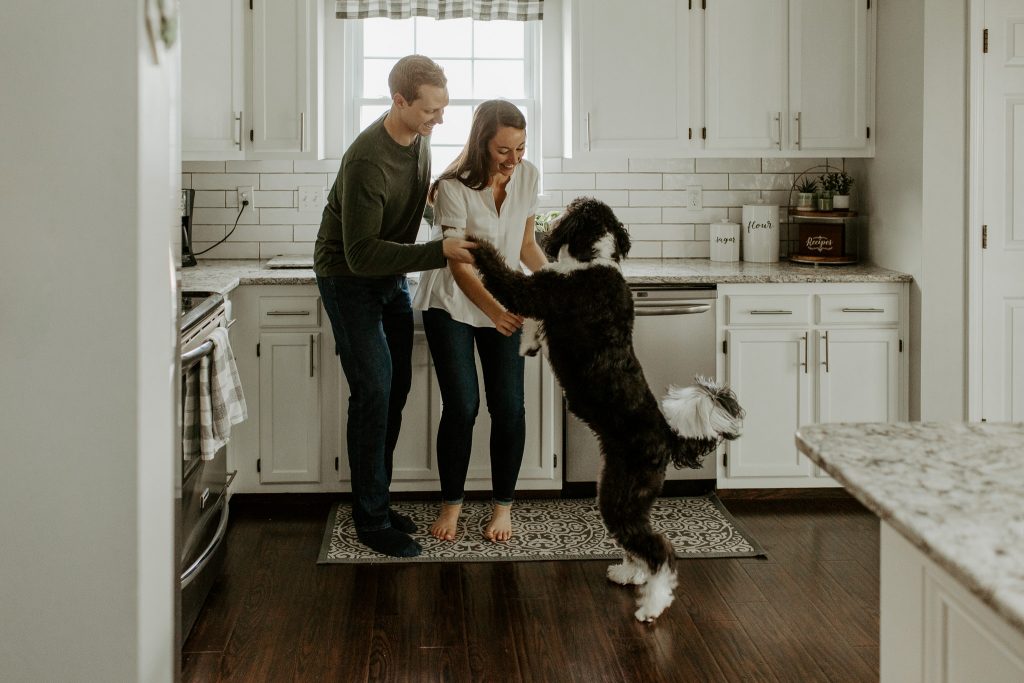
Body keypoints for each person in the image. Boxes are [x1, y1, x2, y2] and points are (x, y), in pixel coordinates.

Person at [314, 55, 476, 558]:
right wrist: (439, 251)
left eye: (443, 109)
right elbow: (360, 253)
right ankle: (370, 520)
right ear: (399, 102)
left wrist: (446, 214)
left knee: (397, 387)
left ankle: (376, 501)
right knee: (374, 390)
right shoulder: (367, 159)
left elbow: (413, 202)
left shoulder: (419, 141)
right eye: (430, 110)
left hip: (390, 279)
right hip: (349, 279)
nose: (440, 119)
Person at [412, 100, 548, 543]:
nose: (515, 159)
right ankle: (452, 505)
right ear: (482, 144)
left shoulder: (528, 176)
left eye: (521, 147)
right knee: (463, 405)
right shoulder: (452, 186)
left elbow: (526, 245)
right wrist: (495, 311)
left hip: (504, 302)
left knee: (509, 407)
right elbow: (459, 265)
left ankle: (502, 507)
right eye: (504, 150)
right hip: (452, 302)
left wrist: (554, 288)